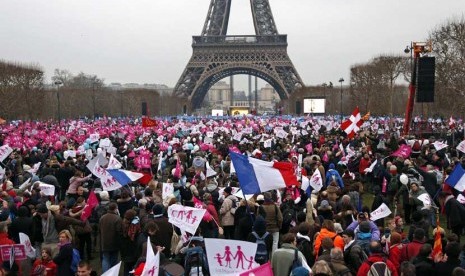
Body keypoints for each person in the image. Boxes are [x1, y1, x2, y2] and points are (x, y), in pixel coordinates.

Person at [99, 202, 123, 273]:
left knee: (105, 259)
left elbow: (100, 229)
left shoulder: (102, 218)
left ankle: (106, 273)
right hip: (114, 243)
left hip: (104, 242)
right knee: (114, 259)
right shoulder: (118, 218)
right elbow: (119, 232)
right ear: (116, 209)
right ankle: (113, 273)